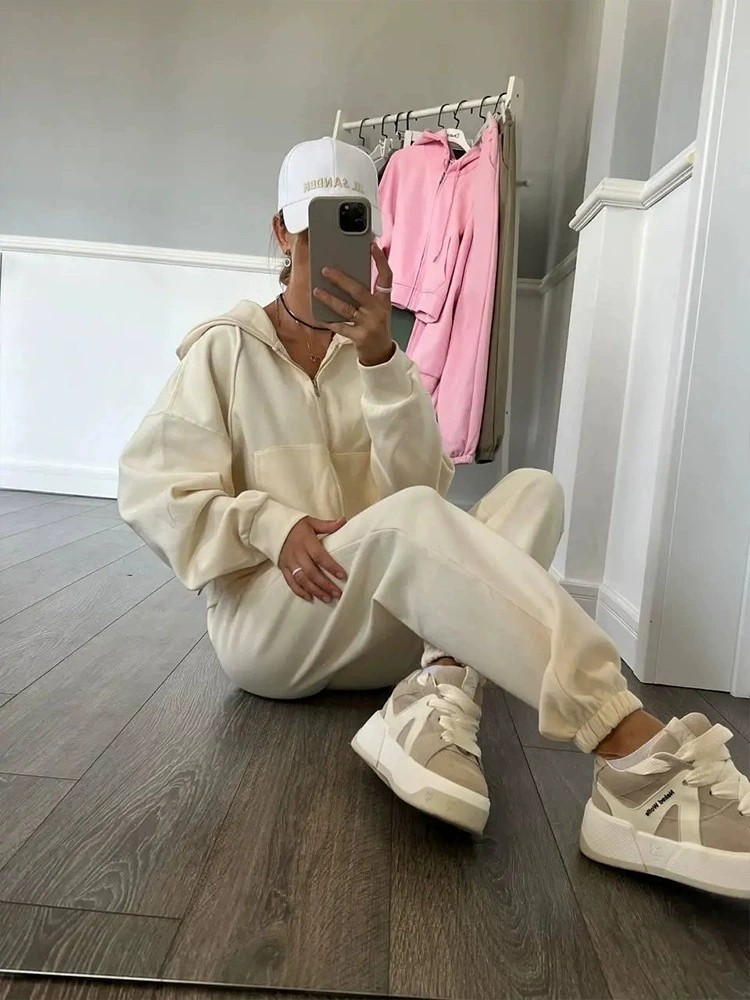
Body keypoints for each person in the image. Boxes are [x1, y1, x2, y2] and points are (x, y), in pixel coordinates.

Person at [119, 137, 748, 899]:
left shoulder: (383, 355)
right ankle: (633, 757)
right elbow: (151, 492)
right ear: (282, 232)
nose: (327, 248)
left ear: (374, 239)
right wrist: (267, 524)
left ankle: (435, 691)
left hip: (385, 618)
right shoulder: (223, 351)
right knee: (410, 520)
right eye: (311, 227)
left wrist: (382, 362)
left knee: (533, 491)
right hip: (272, 630)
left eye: (349, 225)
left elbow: (421, 492)